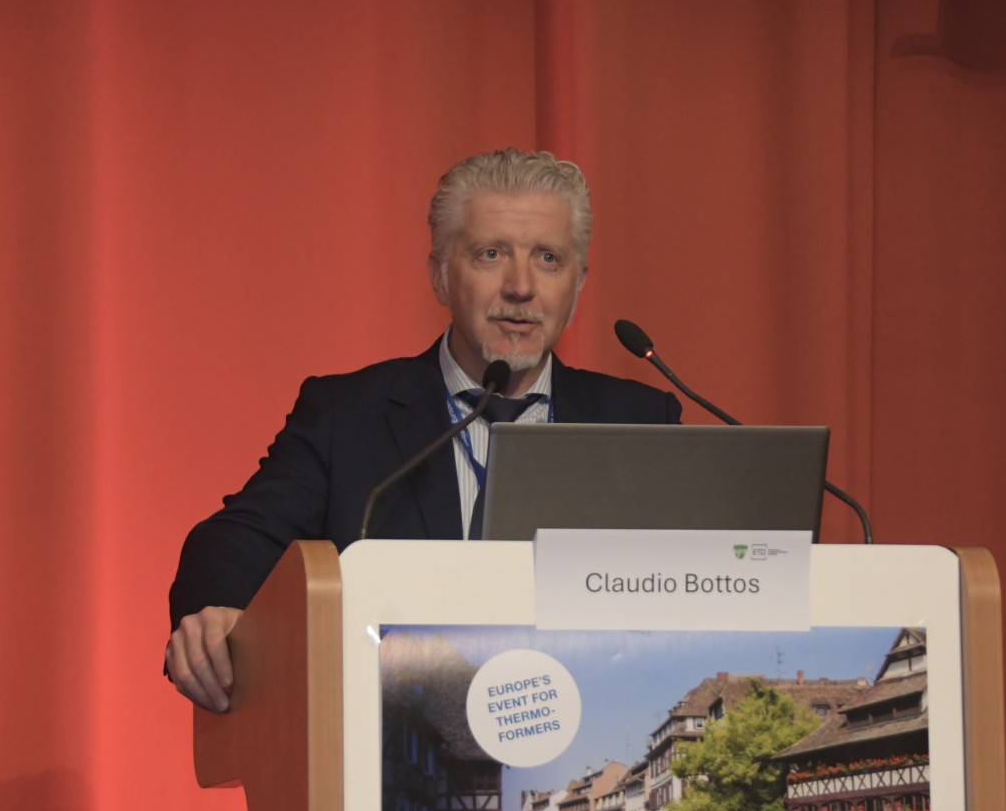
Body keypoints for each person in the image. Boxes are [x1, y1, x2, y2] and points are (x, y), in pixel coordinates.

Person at [165, 148, 681, 711]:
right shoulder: (347, 416)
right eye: (491, 254)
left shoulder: (641, 423)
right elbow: (235, 541)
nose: (521, 286)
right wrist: (215, 610)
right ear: (440, 276)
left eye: (548, 259)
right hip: (402, 726)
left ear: (577, 284)